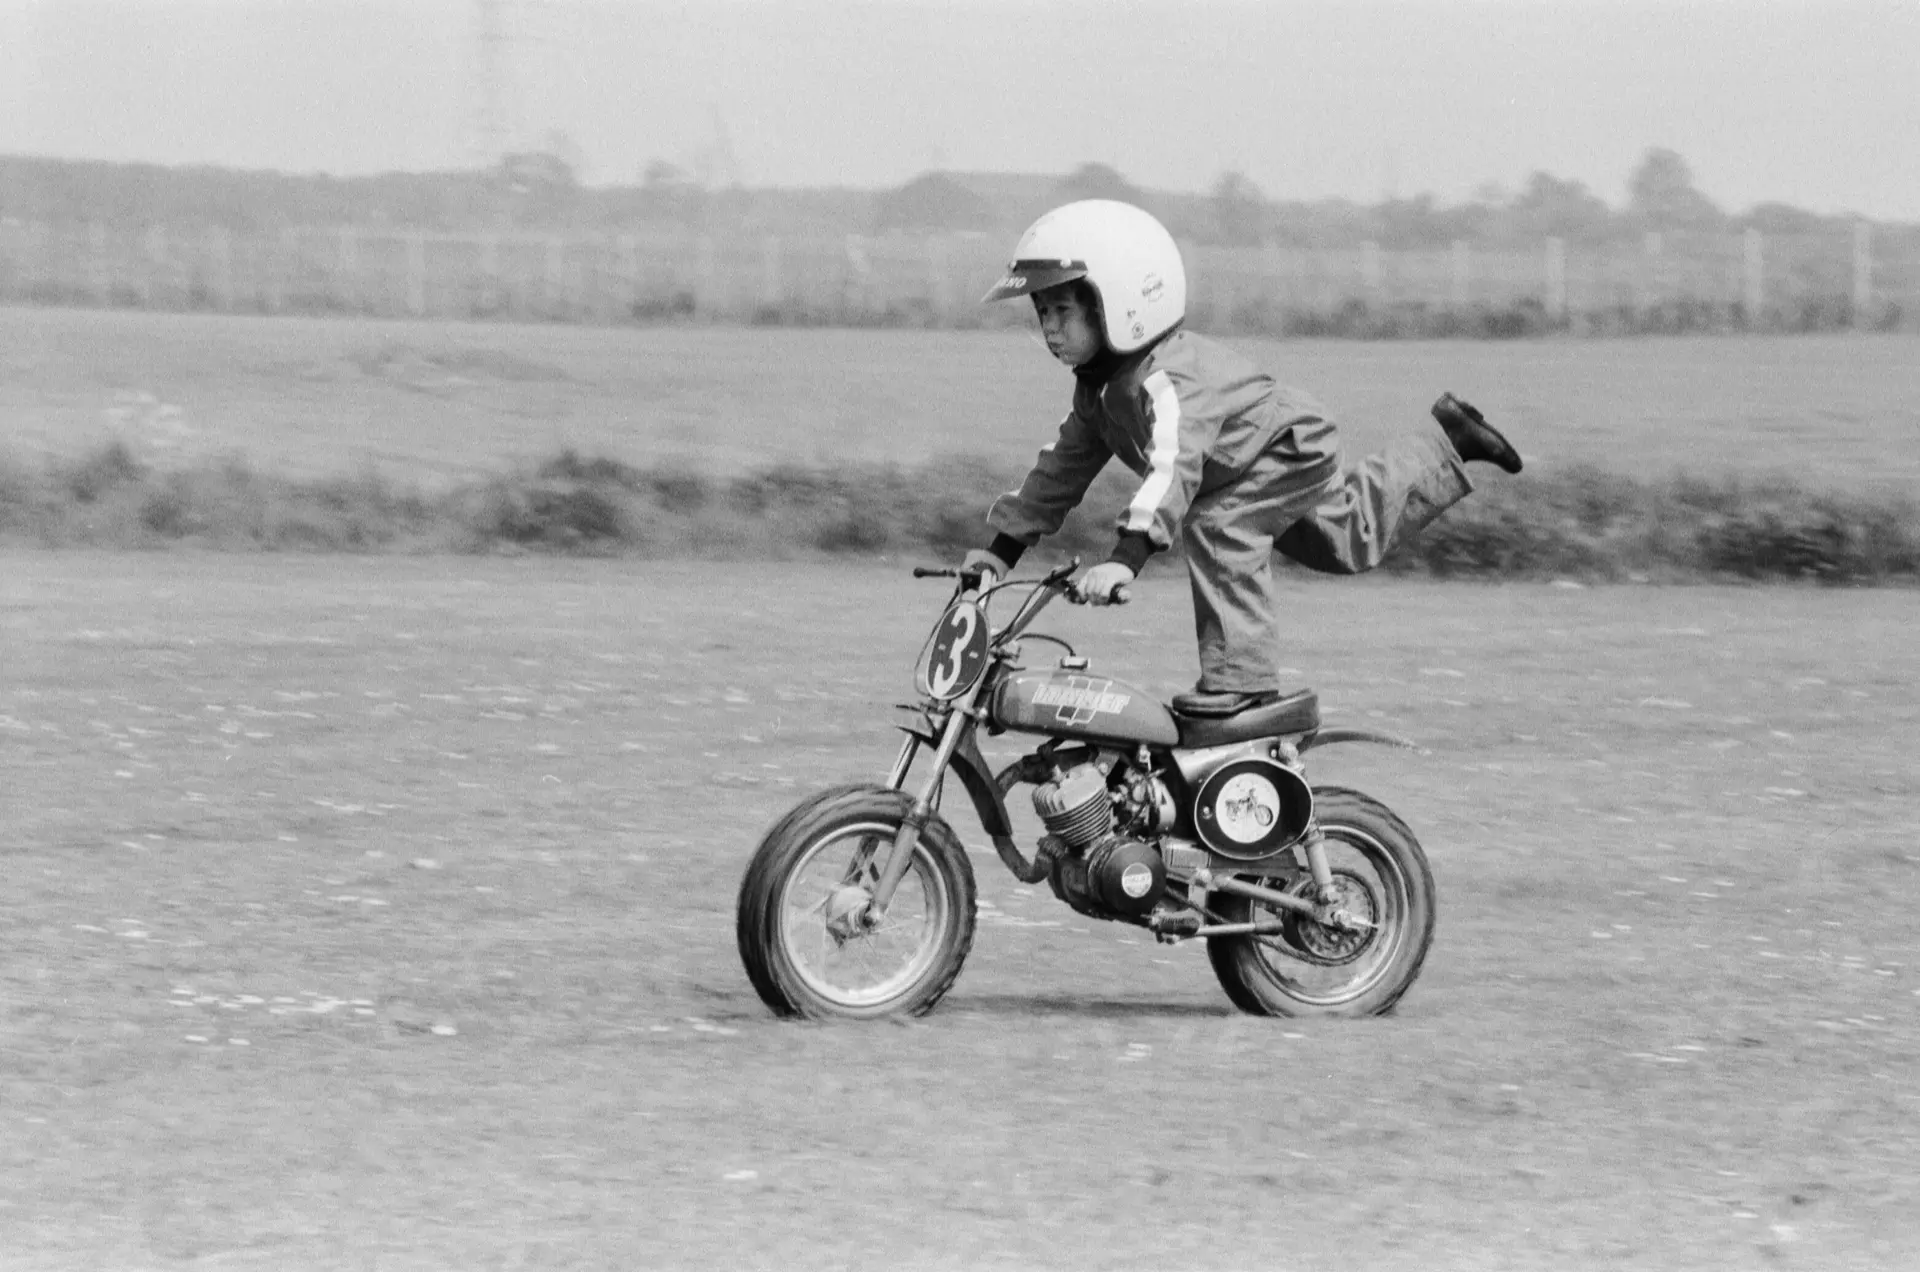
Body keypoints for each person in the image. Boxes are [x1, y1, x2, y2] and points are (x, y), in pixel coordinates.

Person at [962, 199, 1523, 718]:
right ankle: (1450, 441)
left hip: (1284, 449)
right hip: (1242, 467)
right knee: (1348, 539)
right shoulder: (1100, 391)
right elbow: (1058, 472)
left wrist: (1126, 557)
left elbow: (1173, 467)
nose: (1050, 328)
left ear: (1124, 300)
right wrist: (999, 553)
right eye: (1042, 312)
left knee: (1220, 526)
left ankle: (1244, 685)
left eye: (1061, 308)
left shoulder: (1168, 378)